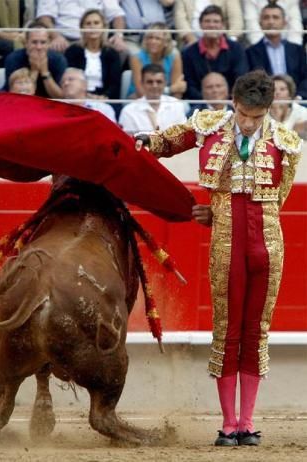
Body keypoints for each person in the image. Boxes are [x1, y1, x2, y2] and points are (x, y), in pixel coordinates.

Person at [134, 69, 302, 446]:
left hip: (267, 245)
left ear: (268, 111)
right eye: (243, 114)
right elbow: (169, 141)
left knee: (256, 329)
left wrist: (222, 210)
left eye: (257, 117)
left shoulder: (287, 141)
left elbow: (279, 198)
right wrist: (146, 142)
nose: (247, 123)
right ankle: (228, 423)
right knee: (227, 328)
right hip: (227, 243)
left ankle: (248, 421)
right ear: (234, 104)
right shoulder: (210, 126)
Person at [182, 5, 248, 101]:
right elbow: (190, 85)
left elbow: (241, 80)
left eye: (216, 21)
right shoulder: (189, 53)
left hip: (231, 103)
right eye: (207, 21)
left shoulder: (236, 49)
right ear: (200, 25)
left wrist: (226, 101)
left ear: (222, 25)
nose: (212, 25)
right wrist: (208, 104)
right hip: (200, 104)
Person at [246, 2, 307, 100]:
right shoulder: (250, 52)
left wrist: (299, 97)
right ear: (260, 23)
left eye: (275, 17)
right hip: (264, 103)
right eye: (266, 17)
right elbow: (249, 82)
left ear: (284, 23)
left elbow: (305, 78)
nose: (271, 22)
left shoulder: (297, 50)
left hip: (296, 101)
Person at [64, 9, 121, 101]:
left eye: (96, 23)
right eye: (88, 23)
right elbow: (69, 79)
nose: (92, 27)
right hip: (78, 99)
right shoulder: (73, 51)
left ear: (103, 27)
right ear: (82, 28)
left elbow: (115, 84)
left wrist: (103, 97)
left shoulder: (111, 53)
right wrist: (86, 96)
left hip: (104, 99)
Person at [4, 21, 67, 98]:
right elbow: (12, 94)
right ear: (26, 43)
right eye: (34, 42)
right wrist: (34, 71)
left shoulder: (59, 60)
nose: (38, 47)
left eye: (43, 42)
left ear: (49, 43)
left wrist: (45, 72)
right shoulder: (13, 59)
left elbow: (60, 97)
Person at [36, 0, 127, 53]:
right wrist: (56, 37)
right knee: (48, 52)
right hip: (64, 40)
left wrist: (118, 36)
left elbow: (117, 15)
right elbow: (44, 17)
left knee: (124, 52)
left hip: (97, 40)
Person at [119, 63, 187, 133]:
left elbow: (182, 136)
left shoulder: (177, 105)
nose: (155, 85)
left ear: (165, 83)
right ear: (142, 83)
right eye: (150, 82)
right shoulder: (128, 111)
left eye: (159, 82)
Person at [128, 22, 186, 99]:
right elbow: (141, 91)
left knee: (184, 107)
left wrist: (172, 105)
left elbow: (178, 91)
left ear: (166, 42)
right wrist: (169, 89)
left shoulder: (174, 57)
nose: (153, 41)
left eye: (157, 39)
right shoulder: (136, 58)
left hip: (167, 99)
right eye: (150, 38)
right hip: (139, 98)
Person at [0, 0, 36, 67]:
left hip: (22, 35)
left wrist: (23, 33)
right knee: (13, 47)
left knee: (35, 45)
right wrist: (4, 35)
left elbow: (30, 20)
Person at [174, 0, 244, 47]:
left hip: (221, 39)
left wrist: (231, 41)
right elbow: (179, 18)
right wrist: (190, 39)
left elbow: (236, 18)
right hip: (191, 40)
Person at [270, 74, 307, 139]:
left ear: (290, 94)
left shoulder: (301, 111)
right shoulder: (261, 113)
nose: (277, 92)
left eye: (282, 89)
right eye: (273, 89)